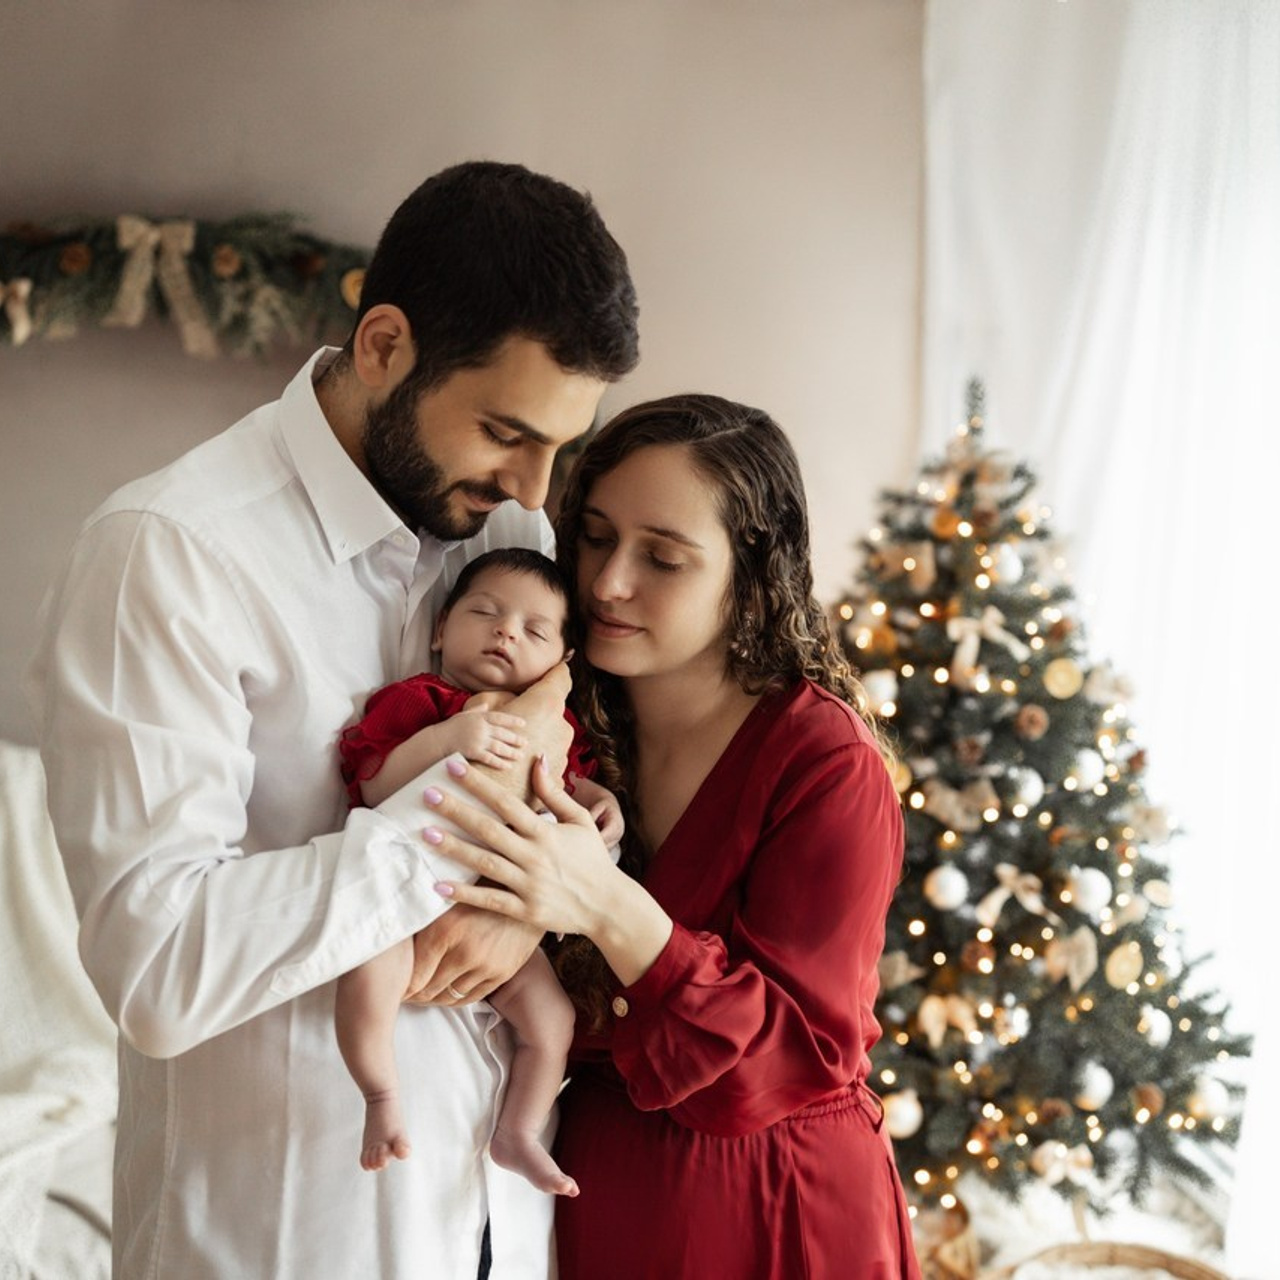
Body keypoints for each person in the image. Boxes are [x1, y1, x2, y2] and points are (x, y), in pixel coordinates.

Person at [28, 161, 638, 1280]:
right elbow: (158, 968)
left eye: (558, 444)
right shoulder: (169, 552)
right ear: (383, 345)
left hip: (497, 1220)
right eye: (505, 428)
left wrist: (537, 886)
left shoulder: (502, 540)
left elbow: (561, 768)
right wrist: (455, 835)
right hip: (289, 1237)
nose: (534, 492)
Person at [415, 394, 924, 1279]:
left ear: (751, 574)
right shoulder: (564, 709)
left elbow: (794, 1059)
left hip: (777, 1207)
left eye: (664, 558)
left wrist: (604, 902)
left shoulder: (826, 763)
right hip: (594, 1197)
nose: (609, 583)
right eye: (597, 538)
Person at [335, 548, 622, 1195]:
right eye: (486, 612)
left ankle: (518, 1130)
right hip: (410, 905)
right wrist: (449, 741)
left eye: (534, 630)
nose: (505, 632)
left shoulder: (555, 725)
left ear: (560, 662)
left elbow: (565, 789)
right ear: (440, 629)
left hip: (502, 912)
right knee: (368, 961)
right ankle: (380, 1093)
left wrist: (601, 806)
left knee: (552, 1019)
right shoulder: (423, 702)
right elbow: (373, 784)